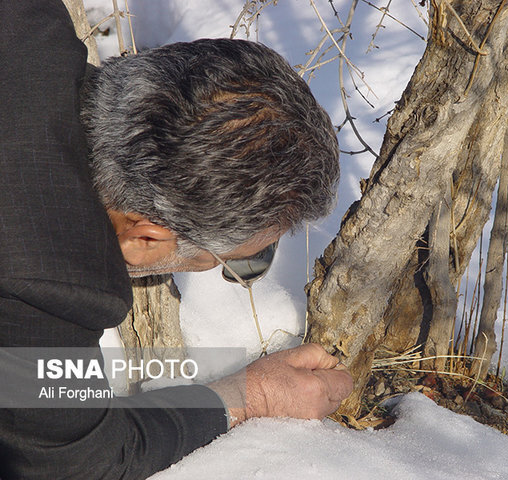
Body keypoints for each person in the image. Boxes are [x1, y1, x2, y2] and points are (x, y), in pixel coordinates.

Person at [0, 1, 352, 479]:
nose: (240, 268)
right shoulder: (49, 290)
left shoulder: (29, 17)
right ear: (145, 237)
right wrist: (251, 395)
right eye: (237, 262)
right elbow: (79, 462)